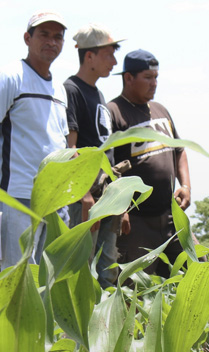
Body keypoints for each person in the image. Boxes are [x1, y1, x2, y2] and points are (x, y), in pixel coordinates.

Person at [0, 11, 69, 270]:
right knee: (18, 277)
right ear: (27, 38)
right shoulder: (9, 77)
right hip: (17, 196)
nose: (51, 42)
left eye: (58, 37)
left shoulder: (60, 90)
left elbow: (61, 143)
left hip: (55, 199)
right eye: (44, 34)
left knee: (51, 280)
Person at [107, 49, 191, 278]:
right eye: (148, 77)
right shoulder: (113, 112)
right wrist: (120, 208)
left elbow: (179, 151)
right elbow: (108, 167)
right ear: (128, 78)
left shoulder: (160, 110)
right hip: (136, 222)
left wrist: (185, 186)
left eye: (156, 77)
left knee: (197, 273)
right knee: (137, 289)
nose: (154, 83)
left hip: (172, 216)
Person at [64, 23, 122, 288]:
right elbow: (71, 148)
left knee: (109, 268)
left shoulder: (98, 93)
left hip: (107, 194)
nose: (114, 61)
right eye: (109, 54)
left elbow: (104, 149)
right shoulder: (71, 90)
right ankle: (74, 328)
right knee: (81, 267)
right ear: (90, 56)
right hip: (87, 198)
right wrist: (84, 193)